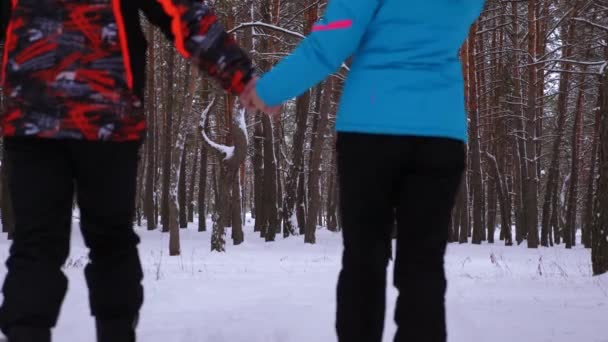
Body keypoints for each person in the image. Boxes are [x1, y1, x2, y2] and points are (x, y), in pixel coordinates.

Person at [0, 1, 253, 341]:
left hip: (35, 116)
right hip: (107, 117)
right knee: (110, 240)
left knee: (36, 243)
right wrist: (241, 76)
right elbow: (184, 14)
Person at [240, 0, 484, 341]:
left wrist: (269, 90)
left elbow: (330, 42)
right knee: (423, 264)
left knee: (364, 259)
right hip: (440, 131)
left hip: (370, 130)